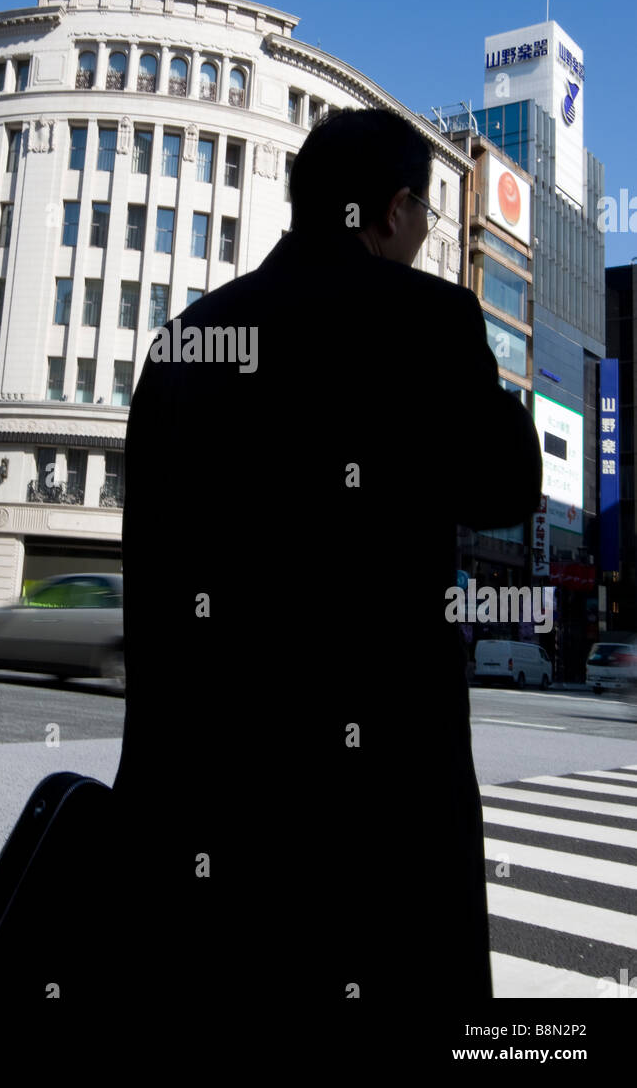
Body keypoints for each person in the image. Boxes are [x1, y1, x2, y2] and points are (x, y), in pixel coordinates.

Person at [111, 106, 542, 1021]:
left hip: (203, 804)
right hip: (377, 816)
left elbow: (149, 578)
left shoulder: (186, 342)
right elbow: (509, 486)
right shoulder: (429, 320)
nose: (428, 236)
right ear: (391, 211)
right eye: (426, 215)